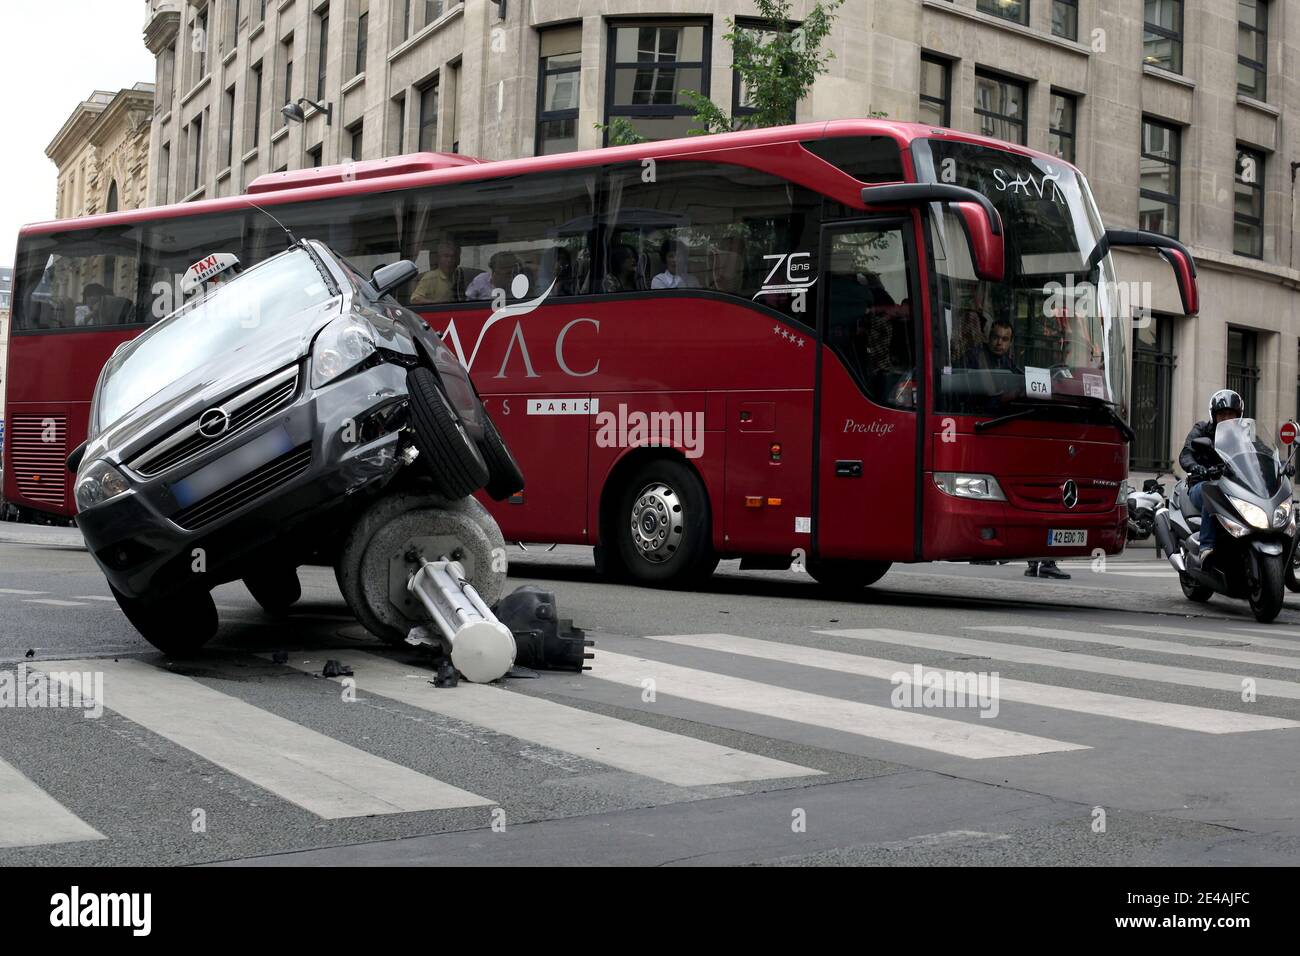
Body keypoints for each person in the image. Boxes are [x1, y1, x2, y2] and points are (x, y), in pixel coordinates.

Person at [1178, 388, 1245, 562]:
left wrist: (1278, 464)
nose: (1226, 418)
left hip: (1235, 486)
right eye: (1222, 414)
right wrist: (1196, 467)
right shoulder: (1201, 429)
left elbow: (1261, 452)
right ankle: (1206, 547)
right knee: (1213, 490)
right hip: (1202, 484)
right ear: (1214, 416)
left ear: (1238, 416)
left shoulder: (1244, 435)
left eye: (1231, 414)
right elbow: (1186, 454)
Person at [410, 238, 463, 304]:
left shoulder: (460, 276)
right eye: (446, 256)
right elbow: (415, 299)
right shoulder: (431, 277)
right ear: (438, 259)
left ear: (458, 259)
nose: (450, 260)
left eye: (453, 256)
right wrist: (437, 302)